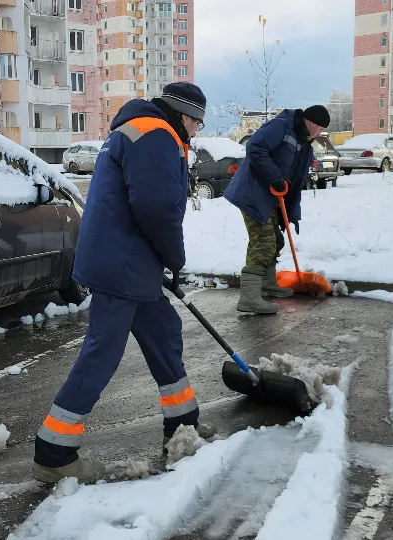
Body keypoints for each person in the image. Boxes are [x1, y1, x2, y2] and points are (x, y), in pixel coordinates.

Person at [32, 82, 217, 484]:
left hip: (128, 260)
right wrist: (175, 257)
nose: (195, 131)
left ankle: (183, 424)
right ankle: (54, 451)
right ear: (184, 115)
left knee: (164, 334)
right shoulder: (156, 134)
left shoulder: (137, 128)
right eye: (196, 123)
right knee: (103, 352)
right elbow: (157, 208)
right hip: (123, 264)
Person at [223, 105, 330, 314]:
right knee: (263, 242)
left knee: (276, 240)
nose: (320, 133)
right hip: (253, 193)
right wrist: (274, 177)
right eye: (321, 128)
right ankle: (249, 297)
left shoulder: (304, 144)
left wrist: (290, 213)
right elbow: (255, 147)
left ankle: (267, 283)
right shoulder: (282, 126)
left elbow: (296, 183)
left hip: (271, 199)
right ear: (312, 123)